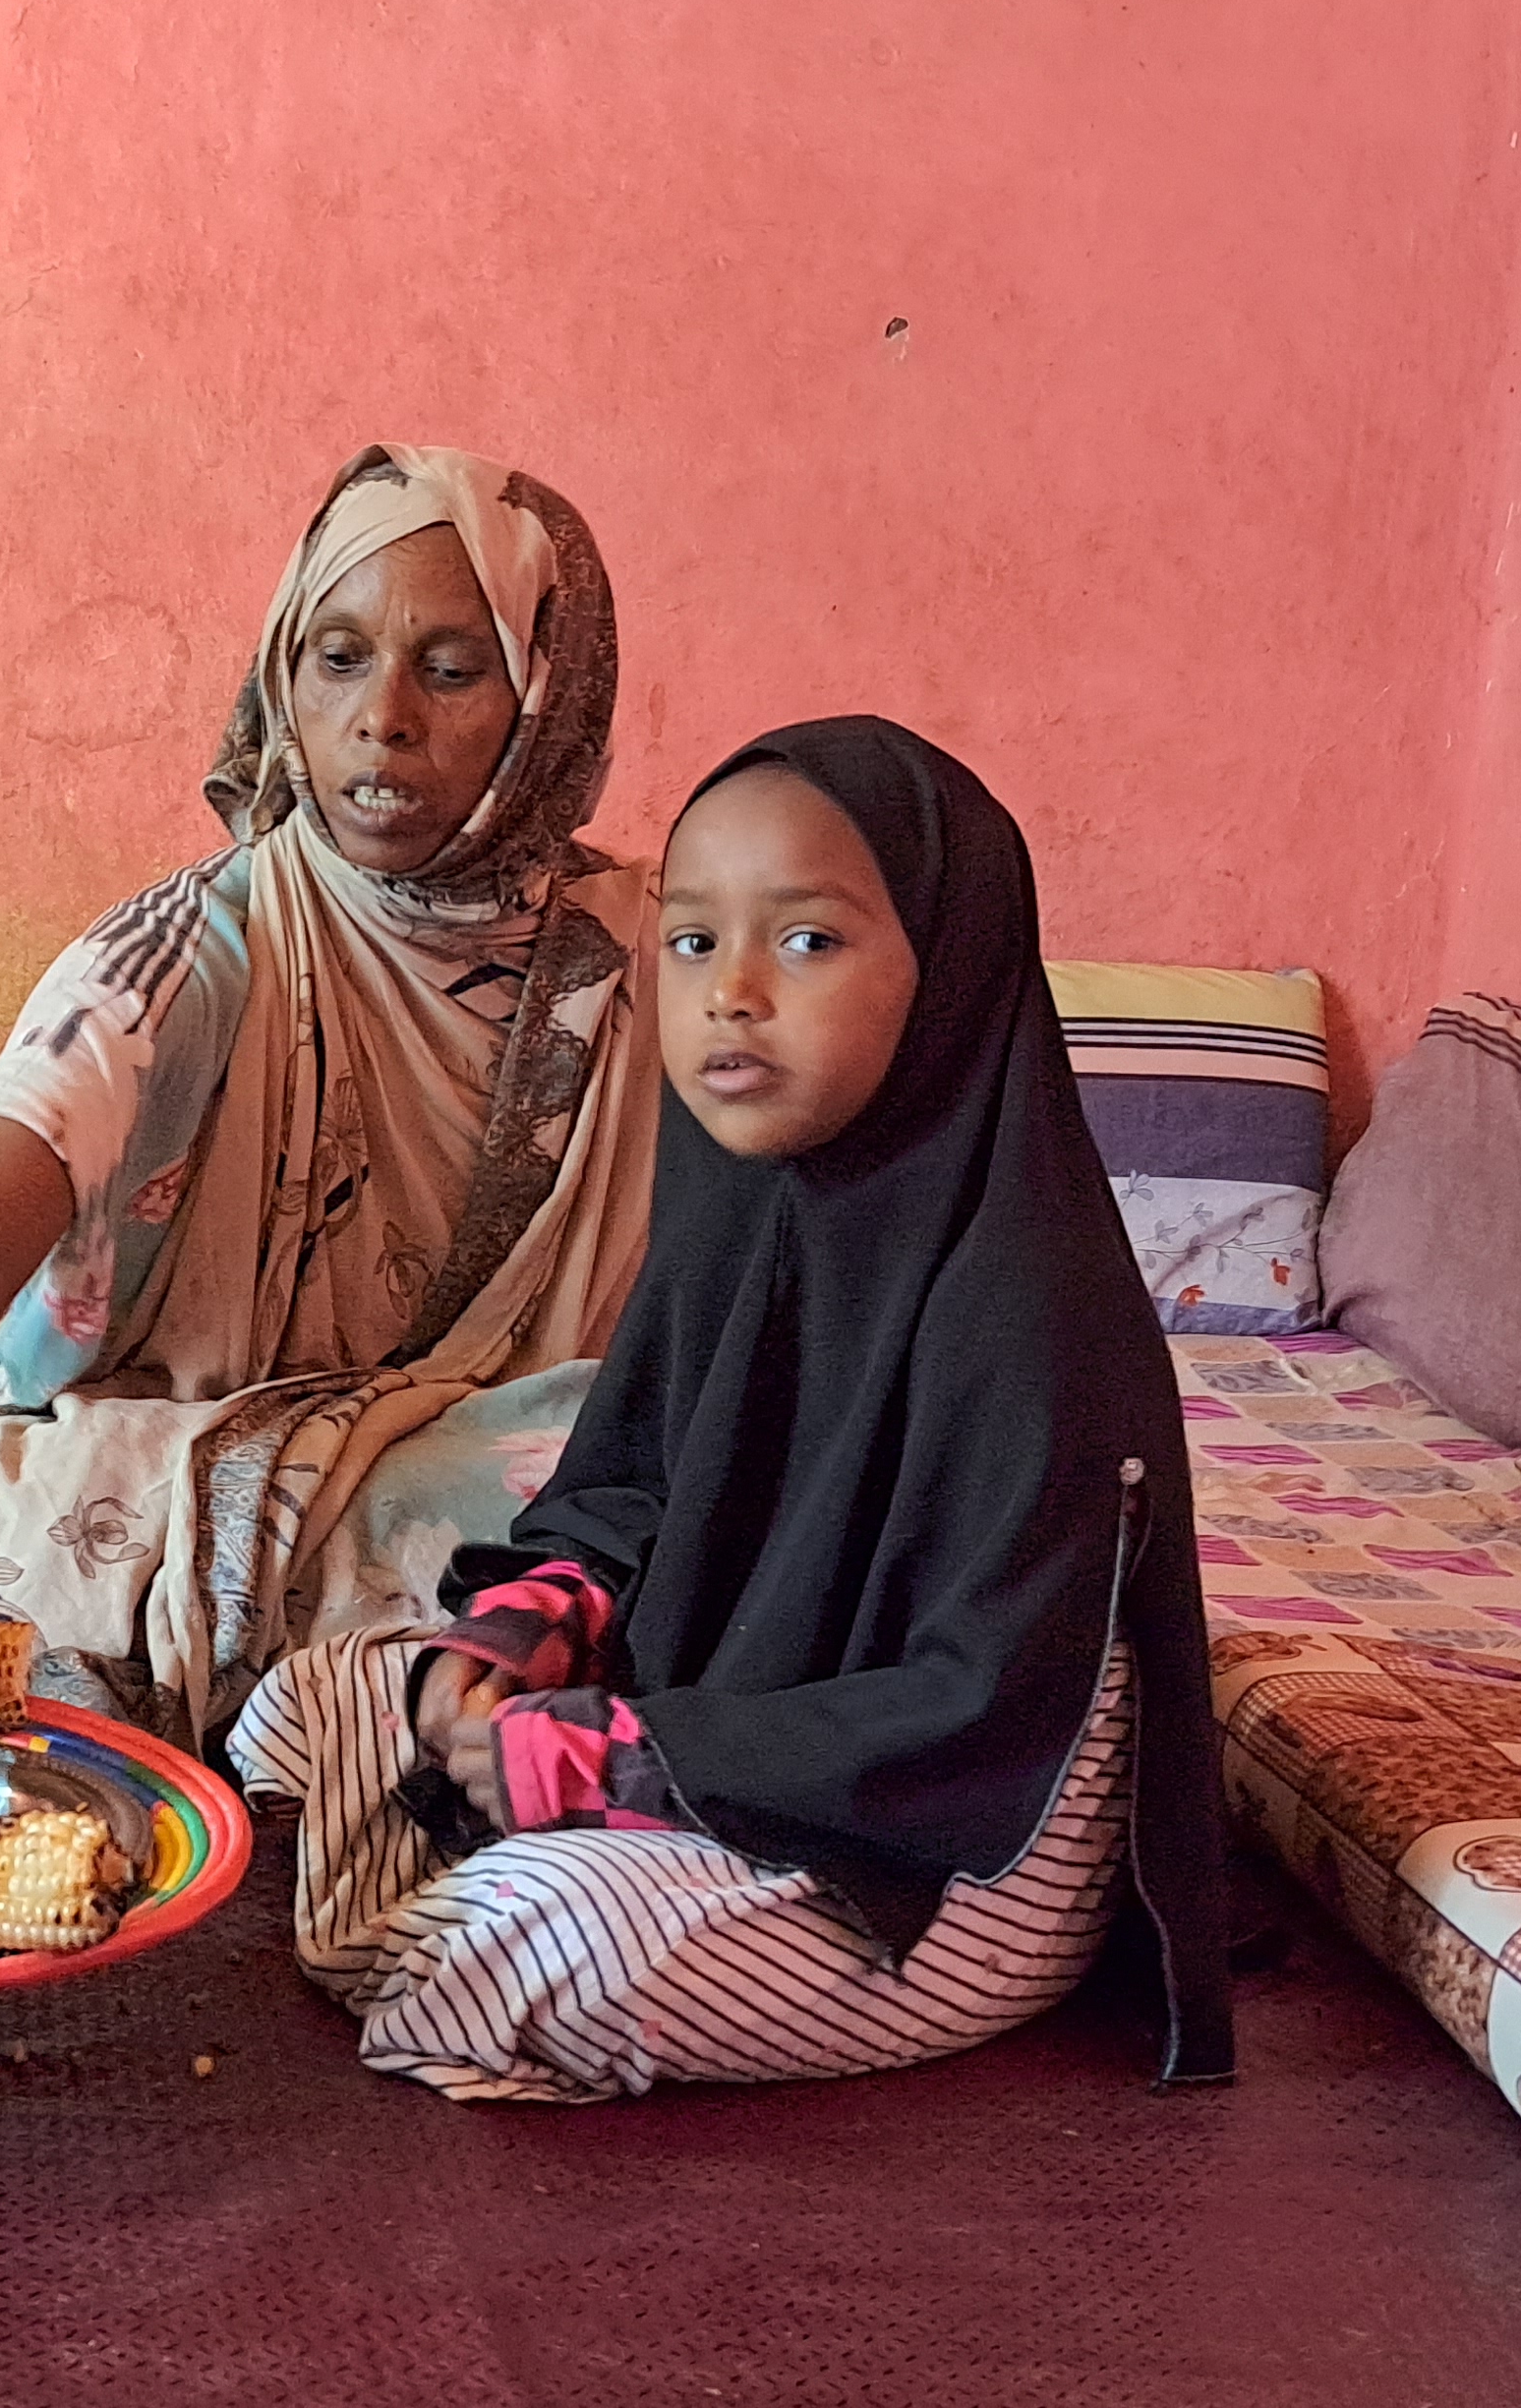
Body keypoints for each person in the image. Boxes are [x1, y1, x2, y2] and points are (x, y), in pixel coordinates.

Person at [0, 445, 666, 1878]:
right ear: (280, 679)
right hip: (158, 1464)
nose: (380, 720)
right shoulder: (189, 948)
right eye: (338, 658)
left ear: (548, 701)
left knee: (627, 1488)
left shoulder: (657, 955)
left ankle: (148, 1715)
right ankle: (370, 1715)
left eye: (452, 670)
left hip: (474, 1482)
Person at [227, 717, 1235, 2100]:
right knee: (322, 1696)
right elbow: (629, 1490)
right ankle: (502, 1871)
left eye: (807, 942)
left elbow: (977, 1707)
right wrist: (511, 1652)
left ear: (952, 970)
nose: (732, 995)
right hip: (735, 1731)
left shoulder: (1029, 1298)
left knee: (531, 1946)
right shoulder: (740, 1206)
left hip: (949, 1850)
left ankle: (485, 1898)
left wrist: (609, 1761)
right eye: (693, 941)